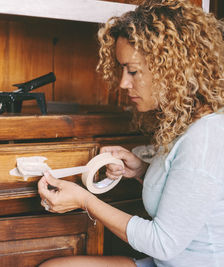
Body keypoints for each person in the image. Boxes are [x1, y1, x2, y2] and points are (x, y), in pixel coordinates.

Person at [38, 0, 224, 266]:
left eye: (133, 71)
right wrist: (140, 171)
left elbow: (164, 243)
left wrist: (85, 201)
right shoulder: (186, 122)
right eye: (122, 70)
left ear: (174, 70)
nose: (124, 83)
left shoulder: (205, 139)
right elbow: (187, 194)